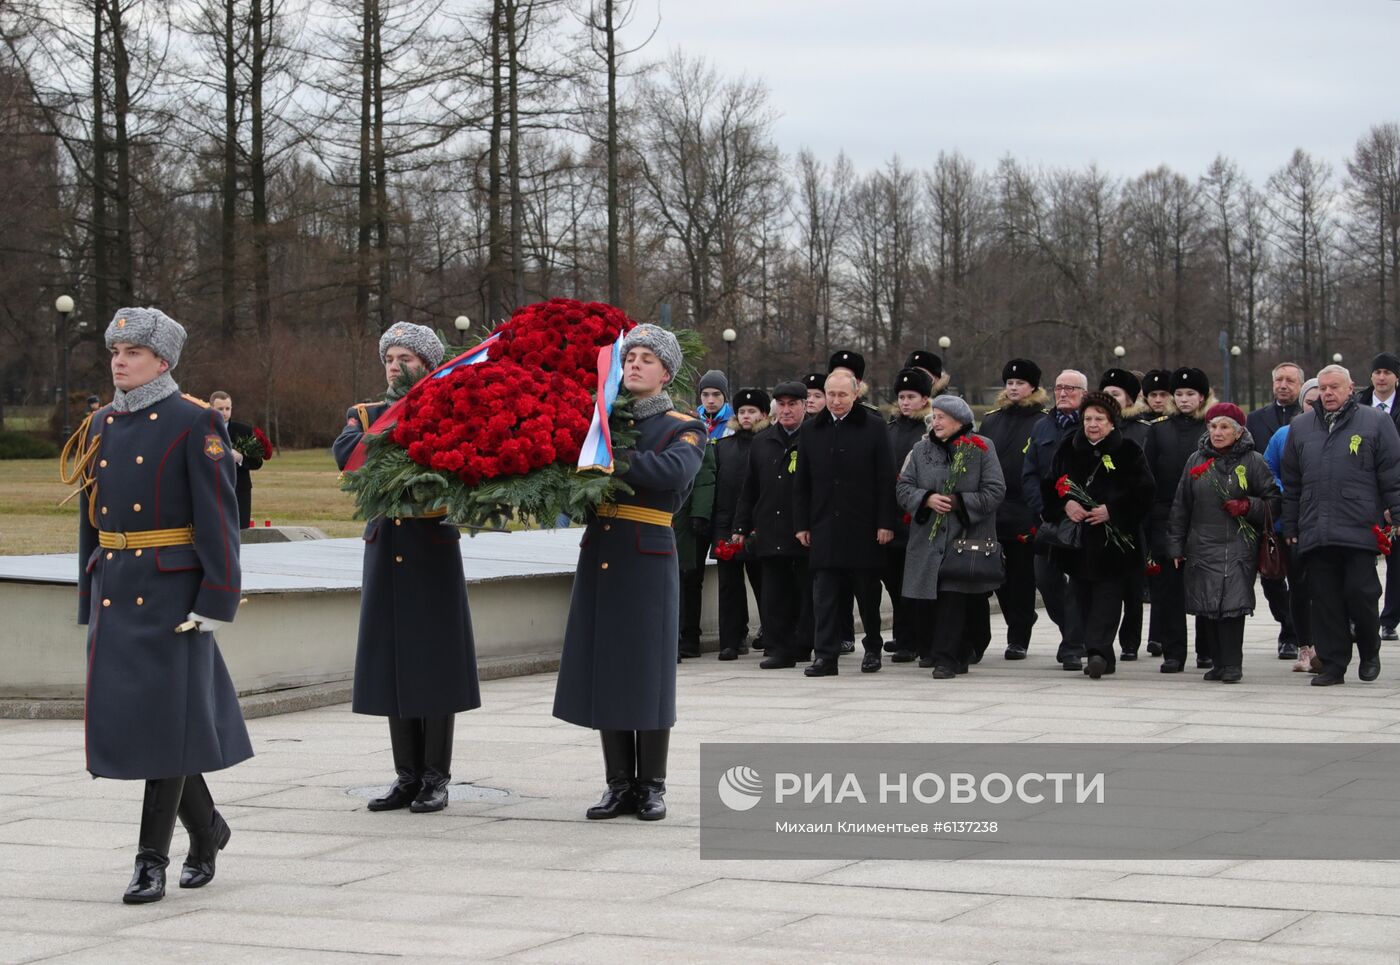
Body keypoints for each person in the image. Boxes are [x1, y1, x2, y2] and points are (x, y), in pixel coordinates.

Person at [67, 306, 252, 903]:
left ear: (162, 361)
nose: (119, 362)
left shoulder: (192, 421)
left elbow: (218, 519)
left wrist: (216, 599)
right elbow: (90, 519)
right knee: (152, 724)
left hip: (172, 593)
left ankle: (152, 860)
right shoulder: (99, 424)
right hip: (117, 586)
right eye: (115, 352)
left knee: (165, 722)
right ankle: (207, 828)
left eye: (133, 353)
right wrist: (86, 594)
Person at [553, 324, 706, 821]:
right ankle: (618, 784)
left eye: (646, 359)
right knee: (608, 668)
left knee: (647, 670)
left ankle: (652, 785)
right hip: (601, 549)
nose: (635, 364)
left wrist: (610, 457)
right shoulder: (603, 420)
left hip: (647, 553)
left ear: (666, 373)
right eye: (630, 357)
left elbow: (672, 473)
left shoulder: (683, 424)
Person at [333, 322, 480, 814]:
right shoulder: (367, 413)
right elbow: (348, 457)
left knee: (435, 664)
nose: (395, 366)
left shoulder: (451, 413)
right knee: (393, 662)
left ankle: (436, 776)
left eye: (406, 359)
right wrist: (393, 426)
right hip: (386, 546)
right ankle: (406, 775)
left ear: (429, 365)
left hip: (431, 548)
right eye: (389, 359)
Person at [1283, 364, 1400, 686]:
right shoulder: (1301, 426)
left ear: (1351, 388)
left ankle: (1370, 650)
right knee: (1325, 601)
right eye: (1323, 388)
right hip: (1316, 530)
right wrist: (1291, 526)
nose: (1328, 393)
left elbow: (1392, 474)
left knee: (1361, 595)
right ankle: (1334, 665)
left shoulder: (1376, 421)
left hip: (1359, 528)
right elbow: (1293, 483)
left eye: (1335, 387)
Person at [1041, 391, 1155, 680]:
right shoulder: (1068, 447)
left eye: (1099, 419)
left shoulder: (1128, 450)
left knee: (1107, 597)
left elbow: (1145, 493)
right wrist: (1066, 504)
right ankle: (1090, 649)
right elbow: (1048, 484)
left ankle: (1099, 653)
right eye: (1088, 418)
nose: (1092, 424)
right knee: (1081, 597)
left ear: (1112, 422)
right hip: (1076, 542)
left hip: (1113, 542)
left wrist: (1113, 511)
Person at [794, 368, 897, 676]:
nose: (836, 401)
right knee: (824, 595)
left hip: (863, 526)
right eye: (831, 395)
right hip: (824, 525)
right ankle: (825, 655)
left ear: (855, 395)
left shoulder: (875, 427)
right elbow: (802, 482)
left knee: (866, 593)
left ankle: (873, 648)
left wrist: (885, 522)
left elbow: (885, 479)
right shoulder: (811, 430)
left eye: (842, 395)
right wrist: (802, 524)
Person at [1168, 403, 1281, 683]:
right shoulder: (1196, 460)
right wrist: (1176, 544)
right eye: (1212, 426)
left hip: (1238, 542)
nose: (1217, 433)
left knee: (1232, 604)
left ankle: (1232, 664)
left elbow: (1274, 501)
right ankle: (1218, 662)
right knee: (1207, 604)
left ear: (1238, 431)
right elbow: (1181, 504)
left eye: (1224, 427)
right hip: (1202, 543)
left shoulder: (1253, 461)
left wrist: (1247, 506)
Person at [897, 394, 1005, 678]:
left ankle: (949, 657)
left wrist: (959, 502)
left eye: (942, 416)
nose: (935, 421)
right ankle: (939, 651)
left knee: (955, 597)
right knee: (932, 600)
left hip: (966, 537)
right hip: (928, 540)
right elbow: (903, 487)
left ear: (960, 421)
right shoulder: (921, 451)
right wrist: (927, 498)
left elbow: (995, 491)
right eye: (934, 416)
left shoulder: (981, 448)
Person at [733, 381, 813, 669]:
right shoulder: (761, 441)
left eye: (793, 404)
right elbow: (749, 489)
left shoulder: (815, 438)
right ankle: (780, 647)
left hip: (804, 531)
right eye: (782, 404)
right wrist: (740, 527)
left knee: (805, 591)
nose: (787, 409)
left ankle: (803, 643)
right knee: (774, 593)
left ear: (805, 406)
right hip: (770, 529)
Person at [1144, 367, 1217, 673]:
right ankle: (1174, 652)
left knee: (1206, 587)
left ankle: (1207, 650)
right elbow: (1147, 476)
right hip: (1166, 517)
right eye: (1180, 394)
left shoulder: (1213, 428)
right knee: (1169, 589)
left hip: (1205, 518)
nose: (1184, 400)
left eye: (1191, 394)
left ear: (1202, 396)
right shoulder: (1159, 430)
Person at [978, 358, 1046, 660]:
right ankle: (1019, 618)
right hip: (993, 509)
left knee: (1021, 576)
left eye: (1020, 383)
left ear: (1033, 386)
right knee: (996, 576)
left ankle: (1018, 635)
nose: (1014, 387)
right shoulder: (993, 419)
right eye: (1010, 383)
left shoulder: (1042, 420)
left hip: (1024, 509)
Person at [1022, 369, 1089, 670]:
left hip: (1082, 521)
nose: (1063, 393)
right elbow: (1030, 473)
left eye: (1071, 389)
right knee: (1046, 580)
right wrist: (1046, 508)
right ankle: (1072, 633)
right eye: (1059, 387)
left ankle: (1073, 646)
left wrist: (1080, 508)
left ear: (1084, 394)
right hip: (1049, 521)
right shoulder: (1041, 426)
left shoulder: (1092, 425)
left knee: (1078, 584)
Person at [1246, 362, 1305, 660]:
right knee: (1270, 576)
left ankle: (1292, 634)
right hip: (1268, 511)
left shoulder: (1306, 417)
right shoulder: (1255, 420)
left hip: (1301, 513)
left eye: (1290, 380)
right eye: (1279, 380)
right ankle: (1287, 620)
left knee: (1298, 575)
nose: (1283, 385)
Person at [1264, 378, 1321, 672]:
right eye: (1310, 401)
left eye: (1321, 398)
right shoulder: (1284, 435)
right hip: (1291, 523)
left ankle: (1327, 643)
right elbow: (1268, 471)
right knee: (1298, 585)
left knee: (1325, 585)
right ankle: (1304, 646)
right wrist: (1288, 491)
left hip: (1327, 522)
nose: (1316, 405)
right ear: (1302, 403)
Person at [1098, 368, 1152, 661]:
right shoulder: (1092, 429)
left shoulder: (1144, 431)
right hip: (1097, 516)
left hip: (1132, 519)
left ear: (1130, 399)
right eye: (1106, 394)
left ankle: (1130, 641)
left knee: (1132, 586)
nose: (1110, 399)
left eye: (1116, 394)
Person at [711, 387, 768, 659]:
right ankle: (732, 640)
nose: (746, 416)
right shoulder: (723, 447)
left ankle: (772, 633)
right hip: (726, 526)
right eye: (742, 411)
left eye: (752, 411)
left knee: (765, 583)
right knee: (729, 586)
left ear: (763, 414)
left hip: (760, 526)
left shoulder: (769, 444)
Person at [884, 367, 934, 662]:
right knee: (894, 583)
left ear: (925, 398)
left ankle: (916, 638)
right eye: (901, 397)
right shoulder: (889, 430)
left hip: (919, 519)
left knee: (916, 584)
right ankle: (903, 636)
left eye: (911, 396)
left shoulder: (928, 430)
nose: (905, 402)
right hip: (892, 521)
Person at [1357, 353, 1400, 642]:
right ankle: (1360, 616)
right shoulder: (1358, 404)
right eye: (1377, 372)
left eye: (1387, 372)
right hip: (1362, 492)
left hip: (1395, 490)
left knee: (1396, 561)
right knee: (1360, 558)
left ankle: (1390, 618)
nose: (1381, 377)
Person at [673, 410, 716, 660]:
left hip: (685, 524)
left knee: (684, 582)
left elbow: (705, 480)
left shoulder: (699, 441)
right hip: (665, 521)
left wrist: (700, 514)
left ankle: (683, 639)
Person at [209, 391, 264, 530]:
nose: (224, 412)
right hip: (211, 490)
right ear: (211, 408)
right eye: (220, 409)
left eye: (228, 408)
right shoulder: (202, 430)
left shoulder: (244, 431)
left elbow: (257, 462)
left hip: (240, 490)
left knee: (240, 533)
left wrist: (241, 458)